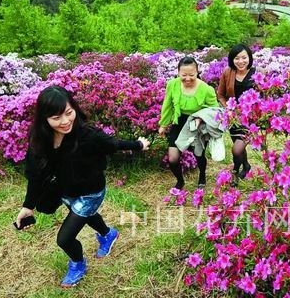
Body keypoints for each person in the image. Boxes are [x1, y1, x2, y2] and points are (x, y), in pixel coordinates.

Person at [14, 85, 150, 288]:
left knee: (65, 239)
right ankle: (108, 234)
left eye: (69, 113)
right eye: (56, 117)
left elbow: (113, 144)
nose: (65, 121)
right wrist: (28, 207)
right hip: (65, 191)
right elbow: (35, 176)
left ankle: (78, 264)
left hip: (90, 193)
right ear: (45, 119)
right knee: (87, 216)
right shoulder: (40, 141)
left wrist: (139, 145)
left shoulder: (87, 135)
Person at [158, 56, 218, 189]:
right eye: (184, 75)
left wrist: (201, 117)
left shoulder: (206, 89)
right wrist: (163, 124)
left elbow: (215, 109)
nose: (188, 78)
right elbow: (167, 105)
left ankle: (202, 175)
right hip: (179, 121)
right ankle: (180, 180)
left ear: (197, 72)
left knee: (199, 155)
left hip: (198, 123)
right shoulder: (172, 84)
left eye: (192, 75)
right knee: (173, 157)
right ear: (178, 72)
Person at [217, 44, 256, 184]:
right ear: (232, 59)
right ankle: (246, 166)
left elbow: (264, 96)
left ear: (249, 58)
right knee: (238, 148)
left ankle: (235, 171)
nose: (241, 61)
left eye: (244, 57)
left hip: (251, 119)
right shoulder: (228, 72)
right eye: (237, 58)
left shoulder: (256, 73)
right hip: (233, 118)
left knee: (236, 149)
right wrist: (227, 108)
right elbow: (220, 94)